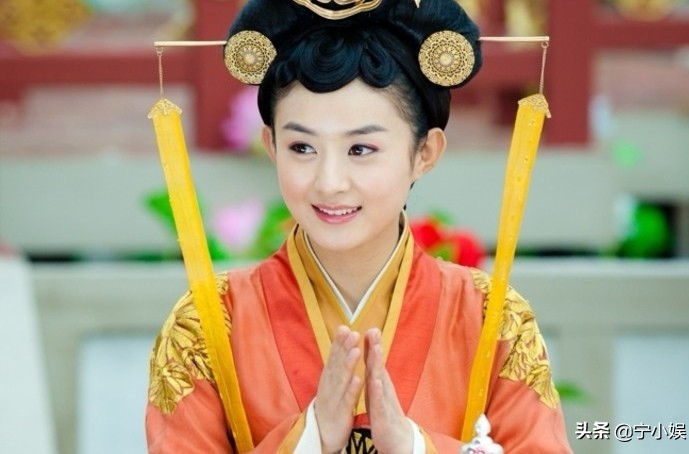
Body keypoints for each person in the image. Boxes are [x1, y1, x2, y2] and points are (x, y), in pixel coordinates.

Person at [145, 0, 572, 452]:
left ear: (424, 153)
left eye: (361, 150)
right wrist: (310, 439)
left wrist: (413, 446)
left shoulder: (491, 320)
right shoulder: (208, 326)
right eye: (302, 148)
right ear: (271, 146)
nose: (329, 182)